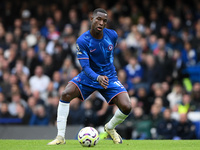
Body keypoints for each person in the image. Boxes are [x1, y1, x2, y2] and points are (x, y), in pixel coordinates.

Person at [48, 8, 132, 145]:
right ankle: (60, 137)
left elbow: (108, 55)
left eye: (104, 21)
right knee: (65, 94)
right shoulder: (83, 41)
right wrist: (97, 77)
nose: (101, 23)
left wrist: (104, 75)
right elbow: (85, 67)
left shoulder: (112, 35)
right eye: (98, 19)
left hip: (109, 77)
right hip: (89, 76)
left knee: (127, 106)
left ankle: (110, 128)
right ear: (91, 19)